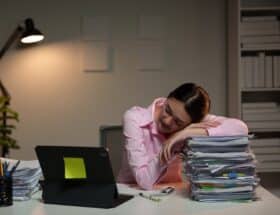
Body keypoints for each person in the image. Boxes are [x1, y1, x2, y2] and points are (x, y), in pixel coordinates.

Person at [117, 83, 248, 190]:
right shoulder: (134, 118)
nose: (167, 121)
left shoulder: (191, 122)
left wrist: (184, 134)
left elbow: (240, 128)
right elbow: (144, 181)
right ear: (167, 99)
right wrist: (171, 145)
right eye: (167, 110)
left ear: (190, 123)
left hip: (171, 193)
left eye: (178, 122)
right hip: (131, 194)